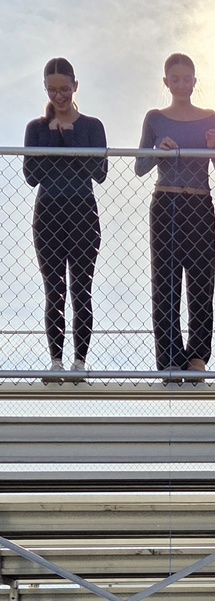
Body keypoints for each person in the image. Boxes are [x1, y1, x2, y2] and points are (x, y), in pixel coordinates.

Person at [136, 53, 215, 376]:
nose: (181, 84)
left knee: (202, 280)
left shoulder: (210, 117)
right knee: (166, 282)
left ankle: (198, 357)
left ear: (194, 81)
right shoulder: (155, 118)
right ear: (166, 82)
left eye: (187, 79)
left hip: (200, 204)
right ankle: (170, 359)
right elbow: (140, 167)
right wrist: (157, 148)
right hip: (166, 203)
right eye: (175, 79)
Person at [24, 57, 107, 376]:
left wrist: (71, 140)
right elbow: (32, 175)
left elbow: (99, 172)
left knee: (81, 288)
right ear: (45, 89)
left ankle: (80, 362)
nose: (59, 96)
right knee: (53, 289)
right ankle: (56, 361)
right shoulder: (36, 128)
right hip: (48, 213)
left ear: (75, 86)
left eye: (65, 89)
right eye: (52, 90)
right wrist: (55, 140)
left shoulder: (92, 126)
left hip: (83, 212)